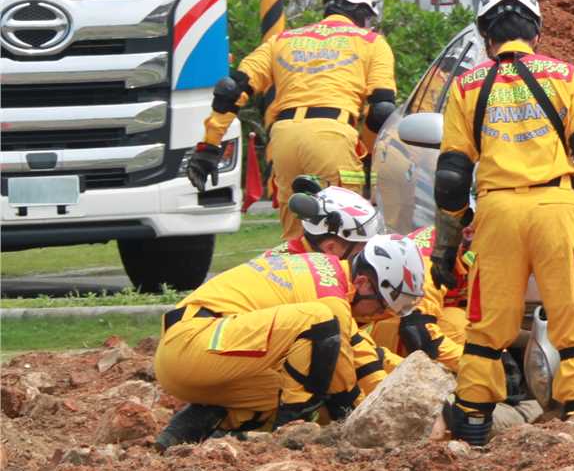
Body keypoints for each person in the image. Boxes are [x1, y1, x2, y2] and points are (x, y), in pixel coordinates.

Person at [433, 0, 574, 446]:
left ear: (486, 35)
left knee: (491, 321)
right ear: (537, 33)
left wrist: (446, 246)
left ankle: (470, 417)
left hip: (497, 211)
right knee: (573, 317)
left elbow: (451, 176)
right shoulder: (567, 77)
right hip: (555, 207)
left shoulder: (467, 87)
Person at [186, 0, 398, 242]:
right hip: (332, 138)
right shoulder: (371, 43)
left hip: (284, 139)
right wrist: (366, 154)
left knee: (295, 240)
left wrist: (209, 146)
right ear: (360, 10)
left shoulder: (282, 40)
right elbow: (381, 110)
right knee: (342, 238)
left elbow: (231, 89)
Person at [153, 237, 424, 447]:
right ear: (364, 283)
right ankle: (290, 435)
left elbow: (365, 355)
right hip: (193, 343)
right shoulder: (330, 303)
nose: (378, 317)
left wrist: (424, 386)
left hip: (197, 357)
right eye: (381, 308)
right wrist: (359, 418)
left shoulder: (332, 287)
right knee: (321, 333)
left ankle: (203, 422)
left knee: (301, 380)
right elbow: (343, 382)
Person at [368, 222, 471, 372]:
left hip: (407, 322)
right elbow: (417, 331)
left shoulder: (462, 241)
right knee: (460, 324)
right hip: (384, 332)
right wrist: (476, 367)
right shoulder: (431, 265)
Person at [266, 177, 381, 261]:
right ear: (331, 248)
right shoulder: (308, 278)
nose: (367, 258)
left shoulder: (298, 253)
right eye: (361, 252)